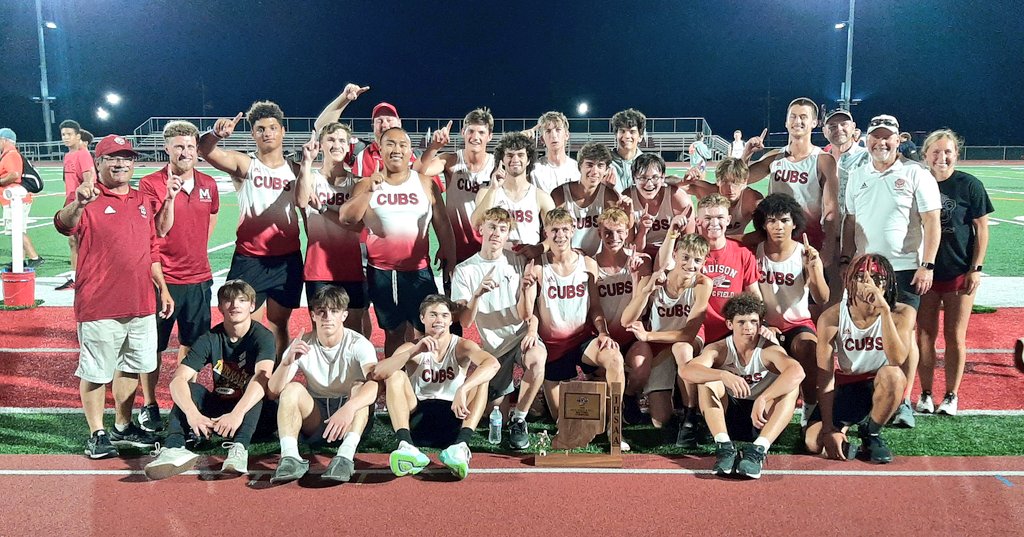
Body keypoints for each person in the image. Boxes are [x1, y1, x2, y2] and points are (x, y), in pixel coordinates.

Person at [54, 135, 173, 459]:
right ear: (99, 163)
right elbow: (63, 225)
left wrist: (161, 287)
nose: (120, 164)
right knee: (95, 372)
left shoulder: (141, 200)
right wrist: (78, 203)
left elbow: (151, 248)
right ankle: (97, 433)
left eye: (126, 158)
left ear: (134, 163)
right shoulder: (87, 198)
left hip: (140, 303)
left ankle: (122, 423)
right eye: (112, 158)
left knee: (131, 367)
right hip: (99, 303)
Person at [842, 114, 941, 428]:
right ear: (867, 139)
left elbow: (931, 222)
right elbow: (849, 221)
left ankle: (904, 402)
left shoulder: (915, 173)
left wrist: (926, 265)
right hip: (865, 270)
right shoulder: (857, 174)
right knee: (867, 331)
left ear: (899, 140)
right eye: (876, 136)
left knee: (903, 335)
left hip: (903, 268)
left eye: (888, 137)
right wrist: (847, 259)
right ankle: (870, 393)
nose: (881, 143)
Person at [198, 101, 303, 358]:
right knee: (245, 326)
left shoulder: (297, 170)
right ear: (253, 133)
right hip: (250, 259)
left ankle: (274, 384)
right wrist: (215, 134)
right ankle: (241, 384)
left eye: (272, 127)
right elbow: (205, 151)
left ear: (283, 130)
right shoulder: (246, 164)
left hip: (287, 260)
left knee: (279, 325)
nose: (267, 133)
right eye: (260, 129)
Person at [339, 127, 456, 356]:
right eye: (390, 144)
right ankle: (395, 381)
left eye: (403, 145)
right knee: (394, 331)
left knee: (427, 331)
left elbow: (442, 223)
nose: (397, 150)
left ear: (410, 151)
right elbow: (347, 218)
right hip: (382, 273)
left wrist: (449, 255)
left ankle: (424, 382)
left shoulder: (425, 183)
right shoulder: (366, 184)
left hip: (419, 271)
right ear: (380, 150)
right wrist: (369, 192)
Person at [135, 120, 220, 433]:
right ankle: (149, 404)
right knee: (152, 346)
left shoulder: (209, 184)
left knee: (192, 346)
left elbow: (211, 218)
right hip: (161, 279)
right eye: (179, 147)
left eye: (190, 146)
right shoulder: (150, 183)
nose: (186, 152)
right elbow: (157, 230)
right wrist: (169, 197)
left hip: (198, 278)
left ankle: (188, 401)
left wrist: (198, 253)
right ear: (166, 148)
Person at [143, 280, 276, 479]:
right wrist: (192, 414)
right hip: (220, 413)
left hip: (255, 417)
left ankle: (239, 449)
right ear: (220, 307)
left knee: (255, 384)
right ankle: (173, 447)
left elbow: (263, 379)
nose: (235, 305)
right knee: (191, 388)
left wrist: (237, 414)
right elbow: (177, 380)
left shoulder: (262, 336)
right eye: (228, 300)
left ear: (252, 305)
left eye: (241, 300)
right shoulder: (210, 337)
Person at [370, 295, 499, 479]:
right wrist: (414, 351)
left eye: (444, 315)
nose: (439, 320)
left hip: (455, 417)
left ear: (450, 319)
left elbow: (492, 364)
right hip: (417, 419)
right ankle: (405, 445)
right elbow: (378, 373)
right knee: (396, 375)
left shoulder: (461, 345)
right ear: (422, 318)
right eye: (433, 315)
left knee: (481, 379)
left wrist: (463, 389)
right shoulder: (412, 347)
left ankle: (461, 446)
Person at [518, 208, 626, 430]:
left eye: (565, 229)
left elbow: (595, 306)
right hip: (553, 345)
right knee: (564, 424)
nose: (560, 235)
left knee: (615, 359)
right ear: (545, 232)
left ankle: (615, 427)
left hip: (582, 339)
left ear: (573, 230)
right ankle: (548, 405)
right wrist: (531, 330)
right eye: (554, 230)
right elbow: (531, 312)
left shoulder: (587, 264)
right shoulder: (537, 266)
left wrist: (604, 332)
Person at [805, 254, 915, 464]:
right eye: (862, 278)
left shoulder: (902, 313)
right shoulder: (832, 316)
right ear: (850, 281)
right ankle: (842, 429)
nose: (870, 285)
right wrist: (828, 429)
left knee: (894, 375)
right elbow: (825, 376)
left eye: (877, 278)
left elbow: (897, 358)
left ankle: (872, 432)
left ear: (888, 283)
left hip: (879, 385)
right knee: (813, 443)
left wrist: (883, 310)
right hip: (847, 384)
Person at [452, 207, 546, 449]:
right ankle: (507, 402)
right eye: (492, 227)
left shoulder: (518, 263)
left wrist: (526, 290)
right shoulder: (465, 270)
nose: (496, 233)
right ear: (481, 229)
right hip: (494, 349)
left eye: (503, 229)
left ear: (508, 235)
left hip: (520, 338)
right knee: (495, 418)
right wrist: (477, 294)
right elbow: (465, 322)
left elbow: (526, 314)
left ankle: (520, 418)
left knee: (537, 359)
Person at [682, 294, 804, 479]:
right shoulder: (719, 348)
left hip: (762, 419)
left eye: (754, 322)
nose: (748, 327)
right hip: (729, 416)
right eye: (742, 322)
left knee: (791, 388)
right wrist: (722, 374)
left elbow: (797, 372)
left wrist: (765, 397)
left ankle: (759, 450)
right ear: (730, 324)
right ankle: (724, 447)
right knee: (707, 380)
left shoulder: (769, 350)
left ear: (760, 324)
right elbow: (687, 371)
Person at [915, 129, 993, 416]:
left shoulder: (969, 184)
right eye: (935, 151)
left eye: (947, 151)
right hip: (925, 273)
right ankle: (924, 393)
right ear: (926, 155)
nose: (942, 157)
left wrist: (976, 268)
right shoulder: (918, 181)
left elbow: (981, 228)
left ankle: (951, 395)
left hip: (959, 270)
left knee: (955, 337)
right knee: (924, 335)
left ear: (956, 154)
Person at [266, 286, 379, 483]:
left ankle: (345, 456)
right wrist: (286, 362)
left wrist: (349, 408)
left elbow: (377, 385)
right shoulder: (302, 344)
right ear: (313, 315)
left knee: (361, 386)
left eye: (334, 311)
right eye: (322, 311)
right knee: (292, 388)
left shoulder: (359, 344)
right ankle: (290, 456)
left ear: (344, 315)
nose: (327, 317)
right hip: (316, 417)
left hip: (351, 417)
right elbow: (273, 392)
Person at [620, 231, 712, 442]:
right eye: (686, 257)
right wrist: (645, 291)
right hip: (660, 345)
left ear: (704, 262)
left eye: (697, 260)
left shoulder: (702, 284)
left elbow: (688, 335)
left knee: (682, 348)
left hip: (686, 342)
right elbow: (626, 320)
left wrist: (648, 335)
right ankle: (657, 406)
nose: (690, 264)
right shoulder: (657, 279)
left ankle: (691, 415)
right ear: (676, 255)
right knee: (661, 420)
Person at [752, 194, 828, 421]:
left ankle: (810, 407)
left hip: (797, 323)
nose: (778, 226)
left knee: (808, 347)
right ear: (763, 224)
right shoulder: (754, 250)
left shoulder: (805, 254)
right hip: (762, 324)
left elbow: (822, 297)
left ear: (794, 223)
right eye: (772, 220)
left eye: (784, 220)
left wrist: (814, 269)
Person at [295, 123, 371, 336]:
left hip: (352, 266)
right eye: (331, 139)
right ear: (321, 144)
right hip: (318, 267)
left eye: (341, 141)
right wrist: (306, 162)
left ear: (348, 147)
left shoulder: (357, 183)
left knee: (354, 328)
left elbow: (357, 226)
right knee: (321, 328)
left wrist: (322, 208)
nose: (336, 144)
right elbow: (301, 200)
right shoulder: (310, 178)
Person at [744, 98, 839, 264]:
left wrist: (828, 249)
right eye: (793, 116)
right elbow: (741, 179)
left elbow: (831, 210)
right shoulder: (774, 157)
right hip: (773, 241)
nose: (798, 121)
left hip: (808, 241)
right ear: (786, 122)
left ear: (814, 122)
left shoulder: (823, 160)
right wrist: (746, 153)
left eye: (803, 116)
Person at [415, 109, 496, 266]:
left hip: (486, 250)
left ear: (489, 136)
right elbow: (416, 173)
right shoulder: (450, 160)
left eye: (481, 132)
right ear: (463, 132)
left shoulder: (496, 166)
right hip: (455, 250)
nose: (475, 137)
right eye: (471, 131)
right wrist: (434, 146)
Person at [593, 208, 650, 420]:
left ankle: (628, 397)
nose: (613, 237)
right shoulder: (591, 264)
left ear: (627, 232)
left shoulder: (639, 262)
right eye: (607, 232)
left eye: (618, 232)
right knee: (601, 382)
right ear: (599, 233)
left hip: (630, 335)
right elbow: (591, 307)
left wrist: (635, 278)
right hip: (602, 336)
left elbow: (641, 309)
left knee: (642, 366)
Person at [689, 194, 762, 343]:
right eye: (708, 218)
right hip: (696, 328)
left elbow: (754, 296)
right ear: (697, 221)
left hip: (731, 330)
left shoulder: (743, 253)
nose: (714, 223)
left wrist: (761, 323)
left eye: (720, 218)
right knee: (686, 351)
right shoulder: (688, 253)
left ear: (728, 220)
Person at [471, 131, 555, 258]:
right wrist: (493, 188)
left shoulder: (541, 197)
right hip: (496, 263)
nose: (515, 159)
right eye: (509, 155)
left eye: (520, 155)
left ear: (528, 160)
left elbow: (555, 232)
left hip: (528, 265)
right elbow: (476, 224)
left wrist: (539, 248)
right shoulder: (487, 192)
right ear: (502, 160)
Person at [551, 142, 632, 256]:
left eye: (600, 166)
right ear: (580, 166)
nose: (594, 171)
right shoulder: (560, 194)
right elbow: (550, 231)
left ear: (606, 170)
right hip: (566, 257)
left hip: (597, 260)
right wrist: (569, 252)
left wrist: (629, 211)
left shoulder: (609, 196)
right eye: (589, 165)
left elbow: (621, 229)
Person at [624, 153, 694, 258]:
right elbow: (631, 250)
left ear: (663, 177)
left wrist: (674, 234)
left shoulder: (678, 198)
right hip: (640, 256)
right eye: (643, 178)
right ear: (634, 178)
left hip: (672, 253)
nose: (649, 184)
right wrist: (642, 230)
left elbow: (689, 243)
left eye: (655, 177)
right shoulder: (628, 200)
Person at [680, 158, 764, 241]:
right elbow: (669, 182)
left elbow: (765, 232)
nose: (730, 188)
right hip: (704, 243)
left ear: (745, 182)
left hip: (734, 245)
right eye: (725, 182)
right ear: (718, 181)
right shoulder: (708, 191)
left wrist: (725, 241)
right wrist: (684, 180)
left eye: (735, 182)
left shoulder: (751, 199)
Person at [57, 120, 97, 290]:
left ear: (78, 136)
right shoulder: (68, 156)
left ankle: (89, 277)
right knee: (72, 241)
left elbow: (89, 178)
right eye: (63, 135)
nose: (65, 138)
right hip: (70, 201)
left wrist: (83, 200)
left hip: (80, 202)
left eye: (69, 134)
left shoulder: (83, 154)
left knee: (84, 240)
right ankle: (75, 277)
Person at [0, 128, 43, 267]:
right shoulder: (9, 154)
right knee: (17, 230)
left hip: (16, 199)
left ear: (5, 140)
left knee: (16, 230)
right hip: (14, 199)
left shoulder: (11, 154)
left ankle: (34, 258)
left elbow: (14, 175)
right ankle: (20, 260)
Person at [530, 111, 580, 194]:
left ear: (567, 135)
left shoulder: (577, 170)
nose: (553, 135)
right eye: (548, 131)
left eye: (558, 130)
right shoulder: (534, 170)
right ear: (542, 139)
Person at [609, 108, 647, 193]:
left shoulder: (647, 164)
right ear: (616, 134)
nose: (626, 136)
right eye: (622, 131)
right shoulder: (605, 162)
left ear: (640, 136)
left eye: (632, 131)